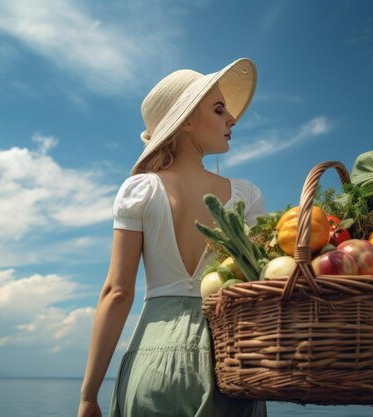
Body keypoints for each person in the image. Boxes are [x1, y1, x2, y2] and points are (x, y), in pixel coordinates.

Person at [77, 58, 268, 417]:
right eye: (218, 109)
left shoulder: (139, 191)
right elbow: (260, 287)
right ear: (186, 123)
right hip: (231, 361)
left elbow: (117, 294)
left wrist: (88, 396)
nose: (232, 119)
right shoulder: (247, 197)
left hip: (152, 359)